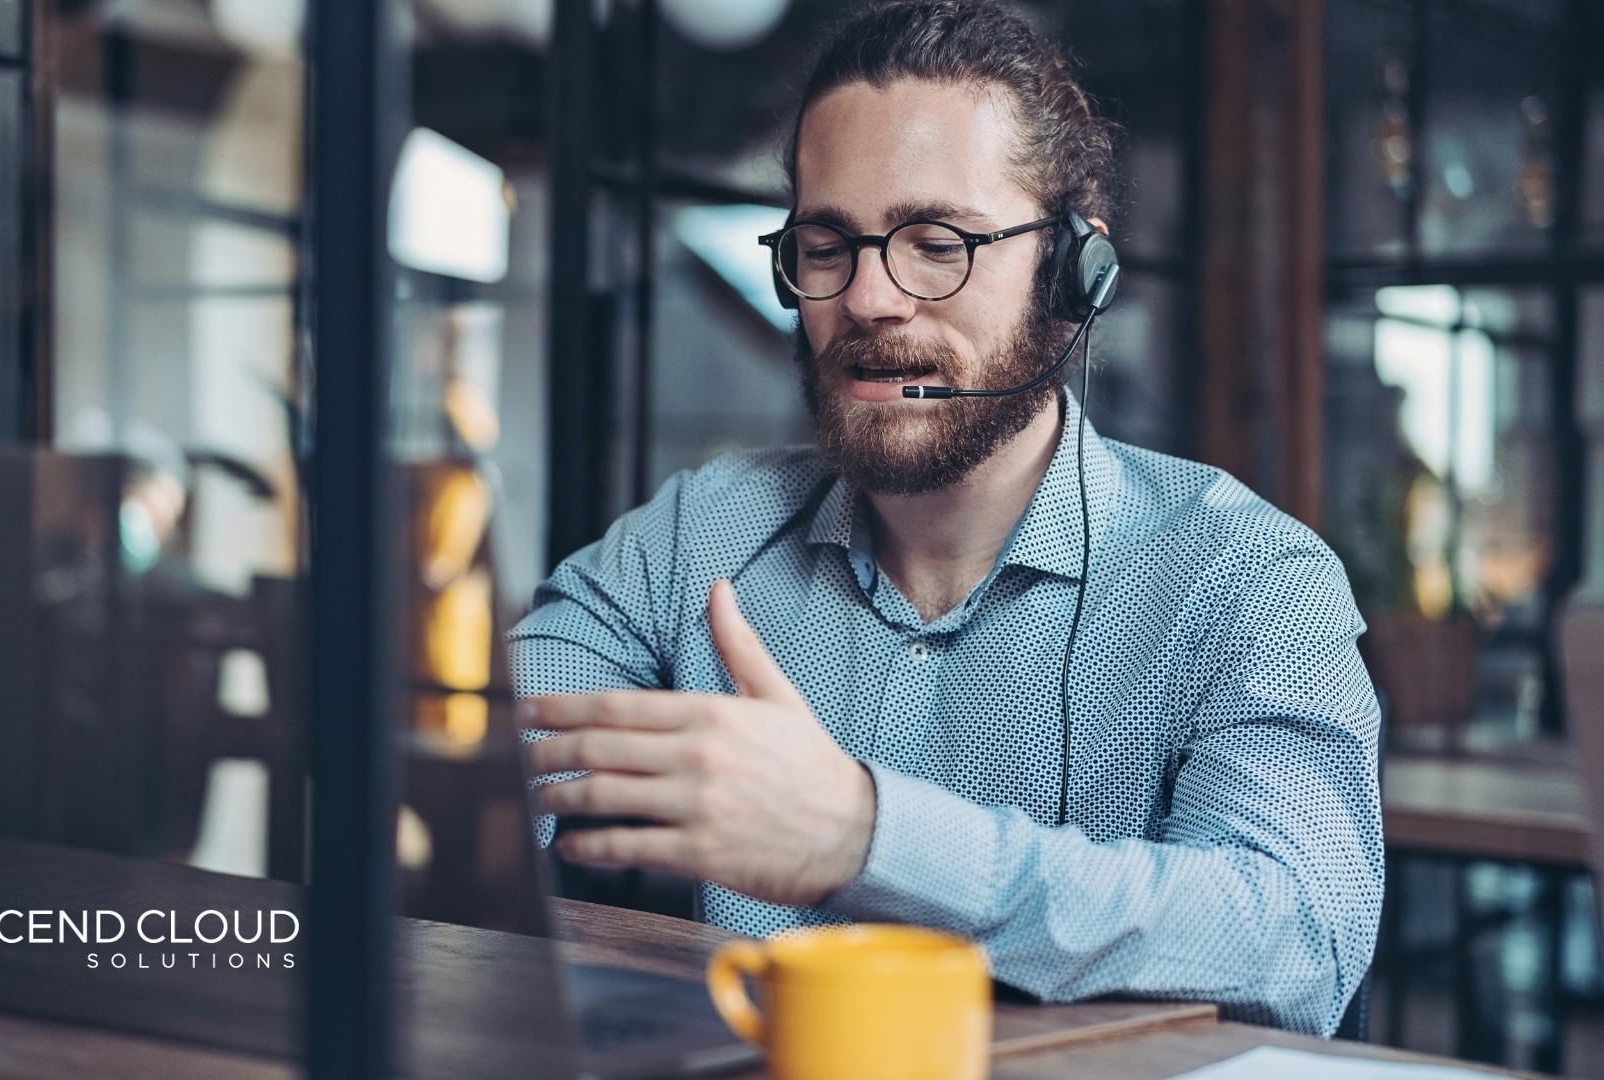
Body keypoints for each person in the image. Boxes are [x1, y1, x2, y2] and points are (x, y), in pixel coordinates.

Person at [509, 0, 1381, 1037]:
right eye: (828, 244)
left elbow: (1296, 941)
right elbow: (478, 745)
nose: (870, 299)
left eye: (936, 243)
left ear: (1074, 271)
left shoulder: (1247, 577)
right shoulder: (700, 535)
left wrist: (866, 837)